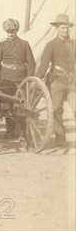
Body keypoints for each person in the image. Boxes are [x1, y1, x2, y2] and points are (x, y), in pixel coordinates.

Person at [35, 14, 75, 147]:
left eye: (67, 28)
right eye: (62, 28)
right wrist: (36, 80)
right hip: (56, 82)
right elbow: (44, 65)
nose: (65, 31)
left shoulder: (73, 44)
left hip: (72, 82)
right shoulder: (51, 45)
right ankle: (60, 139)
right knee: (56, 110)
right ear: (57, 28)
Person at [0, 18, 35, 139]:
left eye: (13, 31)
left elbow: (31, 63)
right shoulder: (2, 45)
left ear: (17, 30)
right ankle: (10, 131)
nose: (11, 33)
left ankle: (22, 132)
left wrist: (30, 79)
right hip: (6, 80)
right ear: (5, 31)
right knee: (7, 105)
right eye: (8, 31)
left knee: (22, 106)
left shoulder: (24, 44)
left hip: (21, 80)